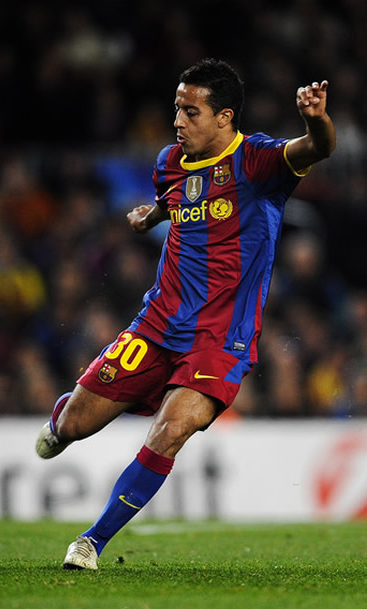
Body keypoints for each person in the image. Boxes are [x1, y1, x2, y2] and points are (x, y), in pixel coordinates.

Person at [36, 58, 336, 570]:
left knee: (172, 430)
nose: (178, 120)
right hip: (156, 325)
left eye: (190, 111)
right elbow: (173, 198)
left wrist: (315, 119)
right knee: (71, 427)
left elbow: (318, 148)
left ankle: (91, 542)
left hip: (220, 339)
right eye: (177, 108)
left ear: (224, 118)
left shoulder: (258, 162)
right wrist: (149, 215)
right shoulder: (170, 161)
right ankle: (66, 414)